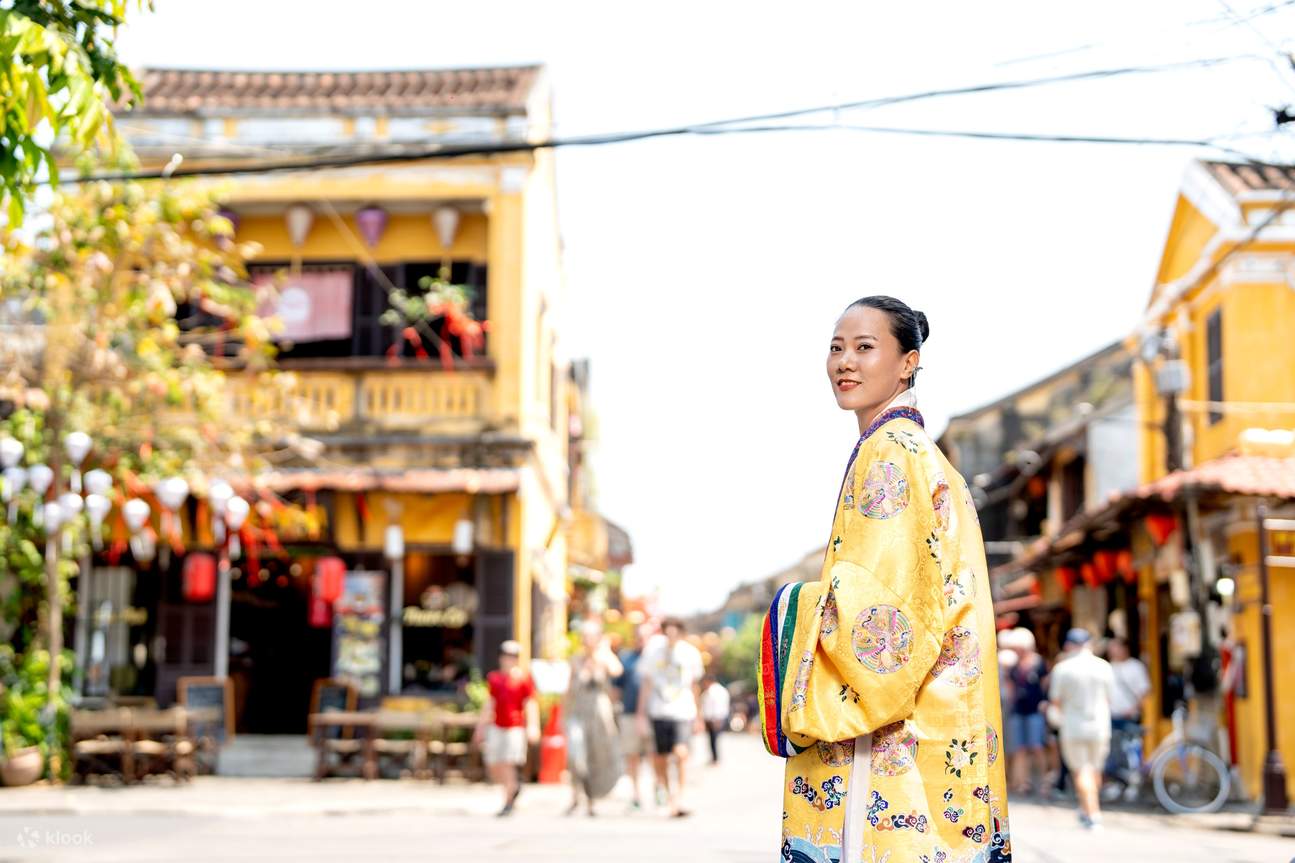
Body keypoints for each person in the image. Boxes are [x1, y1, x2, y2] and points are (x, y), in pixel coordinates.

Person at [757, 297, 1010, 863]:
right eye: (836, 347)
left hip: (892, 736)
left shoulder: (892, 452)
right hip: (937, 718)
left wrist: (793, 612)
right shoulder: (914, 450)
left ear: (907, 363)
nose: (845, 361)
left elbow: (883, 623)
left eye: (865, 347)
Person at [636, 617, 704, 818]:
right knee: (661, 757)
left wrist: (698, 715)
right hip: (659, 709)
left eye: (675, 632)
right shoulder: (653, 651)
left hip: (682, 710)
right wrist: (640, 714)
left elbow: (694, 685)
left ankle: (680, 797)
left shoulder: (690, 653)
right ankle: (667, 792)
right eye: (668, 632)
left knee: (681, 752)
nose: (671, 636)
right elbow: (646, 683)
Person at [1048, 628, 1115, 830]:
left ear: (1069, 645)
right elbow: (1110, 698)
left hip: (1073, 726)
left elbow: (1056, 701)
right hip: (1100, 725)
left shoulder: (1062, 669)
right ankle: (1088, 809)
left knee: (1081, 771)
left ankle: (1092, 813)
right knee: (1095, 769)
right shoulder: (1104, 667)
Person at [564, 620, 624, 816]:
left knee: (595, 755)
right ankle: (575, 795)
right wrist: (563, 715)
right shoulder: (576, 660)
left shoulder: (603, 658)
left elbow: (617, 670)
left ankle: (591, 799)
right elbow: (569, 690)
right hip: (578, 712)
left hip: (598, 713)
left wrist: (603, 652)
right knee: (576, 755)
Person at [474, 640, 539, 817]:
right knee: (494, 763)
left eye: (513, 656)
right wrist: (480, 728)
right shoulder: (495, 678)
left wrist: (533, 726)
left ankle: (508, 800)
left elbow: (530, 704)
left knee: (507, 763)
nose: (509, 660)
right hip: (497, 725)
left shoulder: (523, 679)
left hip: (515, 727)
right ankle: (513, 788)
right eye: (507, 656)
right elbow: (490, 704)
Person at [1005, 627, 1049, 795]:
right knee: (1020, 748)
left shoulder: (1038, 663)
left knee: (1037, 746)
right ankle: (1023, 782)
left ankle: (1043, 781)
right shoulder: (1014, 665)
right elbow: (1011, 687)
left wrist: (1045, 702)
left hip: (1034, 709)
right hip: (1018, 710)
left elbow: (1045, 685)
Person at [614, 624, 652, 810]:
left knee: (655, 754)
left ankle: (659, 788)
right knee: (632, 754)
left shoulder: (656, 657)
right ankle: (636, 794)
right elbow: (616, 687)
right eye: (638, 636)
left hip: (653, 714)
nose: (641, 640)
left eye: (644, 636)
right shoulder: (626, 658)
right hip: (629, 713)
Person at [701, 676, 732, 765]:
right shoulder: (723, 690)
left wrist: (715, 719)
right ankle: (715, 758)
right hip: (719, 717)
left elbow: (715, 707)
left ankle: (715, 758)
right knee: (715, 739)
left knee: (713, 740)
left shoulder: (712, 691)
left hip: (714, 719)